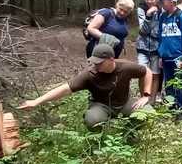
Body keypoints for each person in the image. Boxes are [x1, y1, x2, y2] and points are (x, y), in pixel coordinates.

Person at [17, 44, 152, 128]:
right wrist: (37, 101)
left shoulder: (125, 67)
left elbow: (147, 72)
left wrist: (146, 95)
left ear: (111, 60)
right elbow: (65, 89)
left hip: (124, 102)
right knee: (92, 120)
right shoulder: (90, 74)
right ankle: (97, 142)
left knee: (147, 113)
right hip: (102, 105)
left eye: (99, 62)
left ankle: (129, 132)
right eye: (94, 62)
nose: (95, 65)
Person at [157, 0, 182, 118]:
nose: (161, 3)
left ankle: (181, 111)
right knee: (169, 84)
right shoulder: (162, 16)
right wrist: (160, 54)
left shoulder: (181, 17)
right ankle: (171, 108)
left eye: (164, 1)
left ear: (172, 2)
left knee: (180, 83)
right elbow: (161, 36)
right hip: (166, 57)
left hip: (178, 57)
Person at [136, 0, 162, 102]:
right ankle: (143, 98)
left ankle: (152, 100)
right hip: (143, 46)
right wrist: (148, 16)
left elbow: (160, 31)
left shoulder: (162, 11)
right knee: (143, 73)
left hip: (157, 47)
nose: (149, 1)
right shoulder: (141, 9)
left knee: (155, 74)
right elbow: (143, 30)